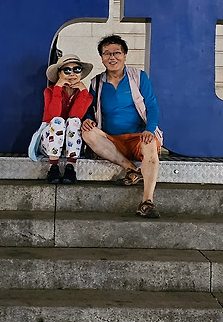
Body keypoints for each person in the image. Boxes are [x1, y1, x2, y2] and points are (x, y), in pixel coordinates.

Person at [80, 35, 163, 219]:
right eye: (106, 53)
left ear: (125, 55)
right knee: (88, 133)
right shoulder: (96, 82)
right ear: (101, 58)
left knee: (150, 143)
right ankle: (132, 169)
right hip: (112, 143)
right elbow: (89, 110)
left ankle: (147, 202)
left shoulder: (139, 77)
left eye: (117, 53)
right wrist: (87, 119)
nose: (112, 57)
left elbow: (152, 106)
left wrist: (149, 130)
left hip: (138, 138)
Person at [41, 53, 94, 184]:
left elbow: (75, 115)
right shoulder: (50, 91)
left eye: (77, 69)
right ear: (59, 74)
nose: (72, 74)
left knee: (74, 121)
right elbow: (53, 115)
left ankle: (70, 168)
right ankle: (53, 167)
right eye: (67, 70)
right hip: (49, 141)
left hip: (71, 144)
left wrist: (83, 92)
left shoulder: (85, 95)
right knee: (58, 121)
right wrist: (58, 88)